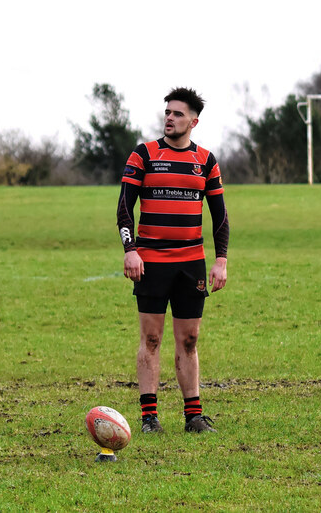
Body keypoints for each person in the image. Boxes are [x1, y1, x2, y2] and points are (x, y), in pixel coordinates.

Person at [117, 87, 229, 435]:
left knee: (190, 339)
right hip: (150, 262)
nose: (170, 118)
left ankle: (193, 416)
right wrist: (130, 250)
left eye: (178, 114)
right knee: (151, 339)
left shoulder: (206, 161)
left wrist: (220, 260)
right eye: (167, 112)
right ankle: (149, 418)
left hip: (191, 263)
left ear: (194, 121)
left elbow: (220, 217)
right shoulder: (144, 155)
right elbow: (124, 208)